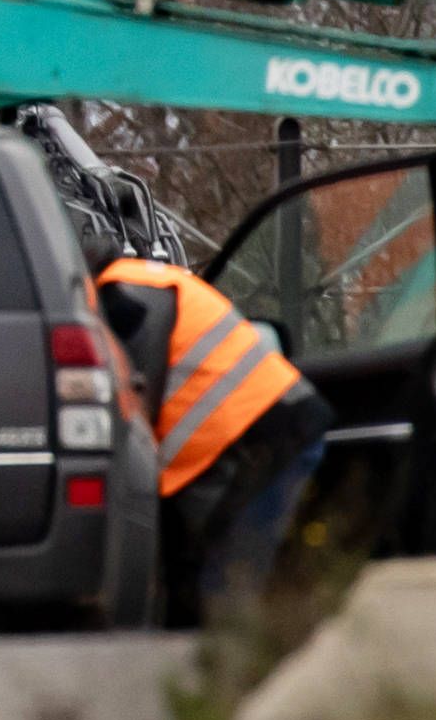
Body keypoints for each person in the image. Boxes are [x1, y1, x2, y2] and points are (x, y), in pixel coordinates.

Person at [95, 249, 329, 636]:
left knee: (224, 597)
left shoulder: (118, 298)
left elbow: (132, 406)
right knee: (217, 587)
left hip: (257, 442)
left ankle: (236, 685)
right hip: (268, 433)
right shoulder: (145, 279)